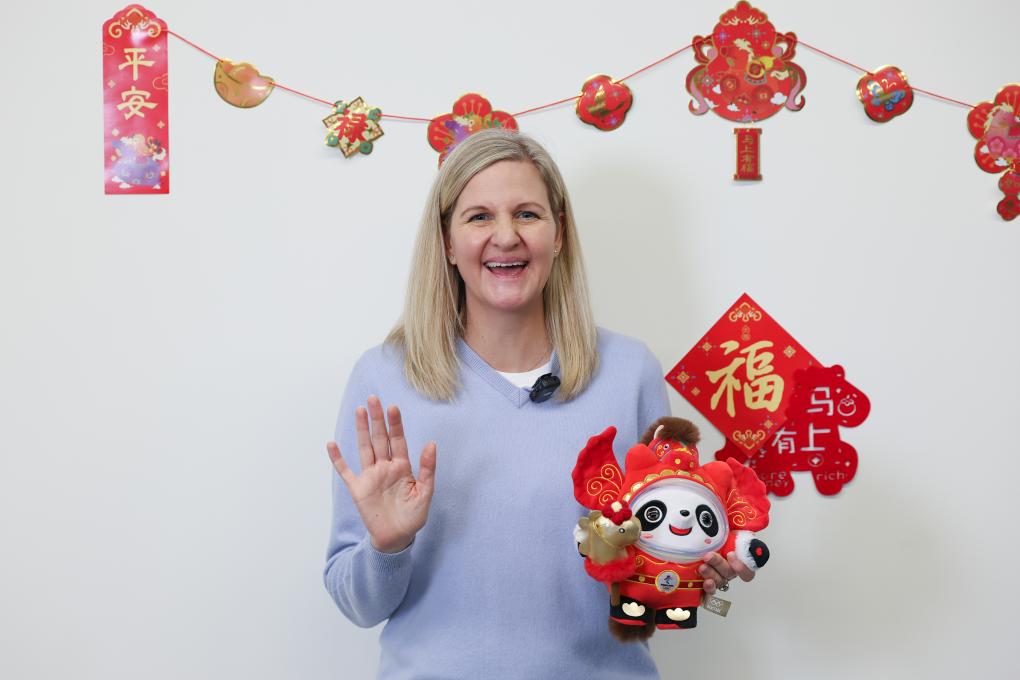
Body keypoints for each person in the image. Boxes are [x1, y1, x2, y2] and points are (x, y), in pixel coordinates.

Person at [323, 129, 755, 679]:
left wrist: (691, 570)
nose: (506, 237)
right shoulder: (384, 377)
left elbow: (650, 579)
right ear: (448, 242)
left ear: (559, 234)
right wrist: (388, 546)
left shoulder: (629, 373)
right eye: (479, 217)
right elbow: (357, 606)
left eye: (527, 214)